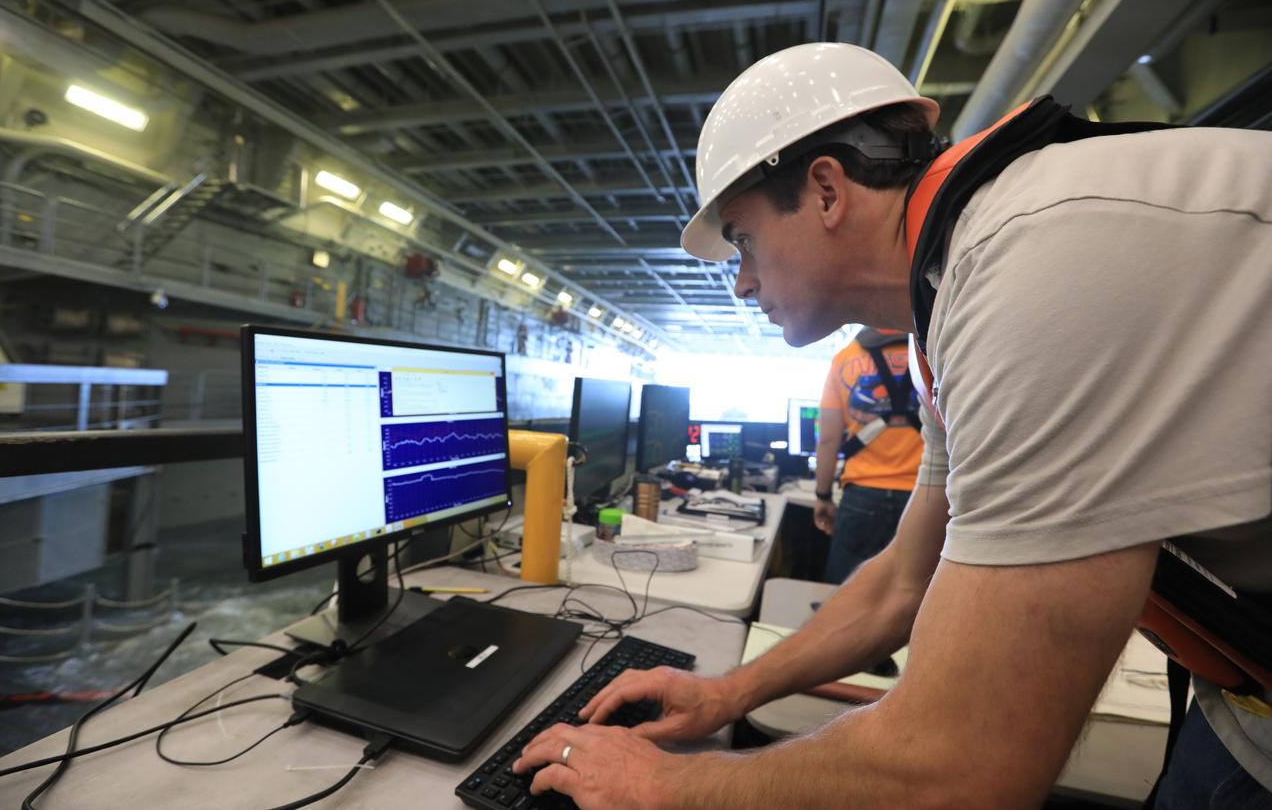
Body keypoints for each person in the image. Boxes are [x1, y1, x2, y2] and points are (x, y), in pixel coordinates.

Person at [513, 43, 1272, 808]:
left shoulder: (1032, 268)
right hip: (1243, 708)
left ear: (827, 191)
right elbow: (903, 581)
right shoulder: (947, 310)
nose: (740, 281)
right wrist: (726, 694)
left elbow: (963, 764)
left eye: (741, 238)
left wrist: (671, 784)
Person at [814, 327, 923, 585]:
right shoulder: (930, 351)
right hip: (923, 495)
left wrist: (823, 496)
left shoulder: (843, 359)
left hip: (861, 496)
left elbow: (828, 440)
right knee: (916, 598)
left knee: (846, 593)